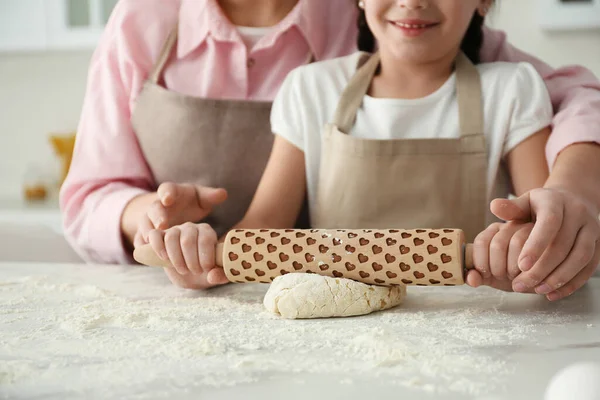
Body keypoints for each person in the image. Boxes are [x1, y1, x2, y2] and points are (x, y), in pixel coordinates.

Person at [61, 0, 600, 297]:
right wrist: (167, 232)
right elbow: (91, 196)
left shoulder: (506, 83)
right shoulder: (145, 21)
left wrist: (556, 213)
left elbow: (572, 96)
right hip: (293, 305)